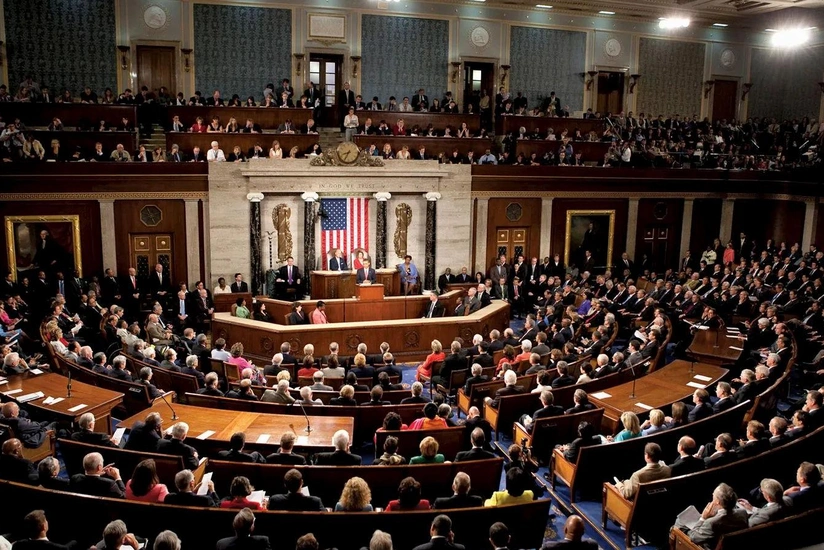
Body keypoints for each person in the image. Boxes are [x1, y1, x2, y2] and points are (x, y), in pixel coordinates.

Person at [673, 483, 748, 547]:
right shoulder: (743, 512)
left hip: (708, 546)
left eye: (713, 494)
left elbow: (694, 538)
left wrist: (703, 518)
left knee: (678, 523)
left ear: (717, 502)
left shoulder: (711, 523)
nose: (712, 494)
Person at [12, 510, 77, 550]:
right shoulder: (59, 549)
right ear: (44, 526)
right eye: (46, 520)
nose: (47, 521)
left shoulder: (17, 546)